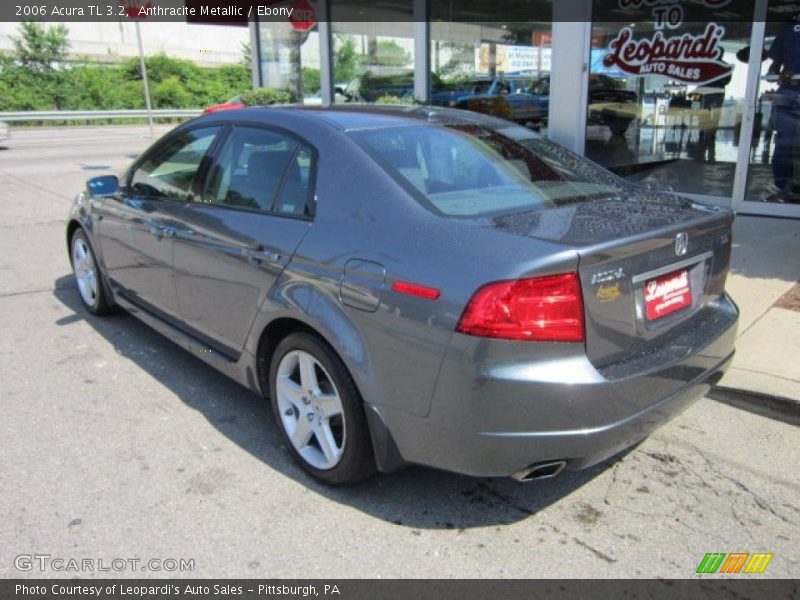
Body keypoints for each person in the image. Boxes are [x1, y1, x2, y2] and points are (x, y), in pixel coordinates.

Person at [765, 18, 800, 203]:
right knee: (784, 144)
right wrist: (777, 74)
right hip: (789, 91)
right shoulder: (788, 27)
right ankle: (782, 188)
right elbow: (773, 68)